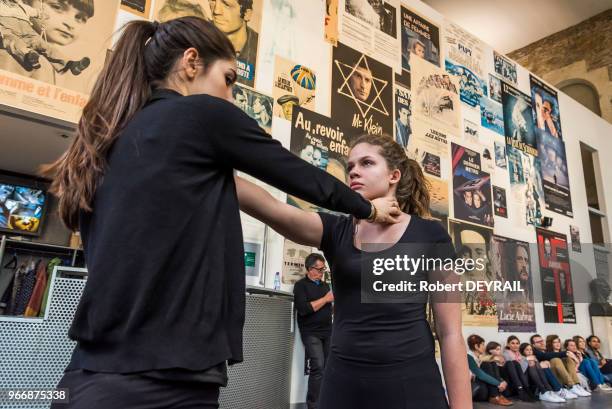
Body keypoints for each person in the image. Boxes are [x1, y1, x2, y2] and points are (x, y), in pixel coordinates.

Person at [44, 17, 401, 408]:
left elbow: (257, 199)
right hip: (161, 381)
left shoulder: (114, 140)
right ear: (191, 62)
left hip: (83, 378)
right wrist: (368, 207)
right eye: (229, 80)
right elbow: (294, 173)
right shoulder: (199, 115)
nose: (230, 98)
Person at [235, 133, 471, 408]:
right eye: (350, 167)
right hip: (343, 381)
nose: (354, 171)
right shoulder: (337, 229)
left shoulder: (431, 235)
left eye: (367, 163)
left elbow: (451, 333)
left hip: (411, 382)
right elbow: (270, 207)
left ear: (394, 175)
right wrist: (204, 160)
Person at [0, 0, 94, 86]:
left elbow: (35, 12)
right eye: (57, 7)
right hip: (11, 34)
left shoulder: (21, 8)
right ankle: (27, 55)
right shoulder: (8, 57)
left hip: (27, 33)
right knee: (15, 44)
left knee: (46, 47)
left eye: (80, 18)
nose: (70, 24)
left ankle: (70, 65)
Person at [293, 253, 334, 409]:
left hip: (327, 331)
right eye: (319, 269)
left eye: (323, 269)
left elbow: (327, 308)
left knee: (329, 367)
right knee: (318, 366)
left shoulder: (324, 286)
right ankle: (313, 405)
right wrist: (326, 299)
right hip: (311, 333)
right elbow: (303, 309)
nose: (321, 273)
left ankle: (326, 402)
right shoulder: (300, 286)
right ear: (310, 269)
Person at [208, 0, 257, 86]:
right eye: (212, 0)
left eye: (226, 5)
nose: (216, 11)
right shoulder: (198, 34)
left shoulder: (261, 51)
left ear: (246, 14)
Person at [467, 335, 513, 406]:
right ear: (476, 346)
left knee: (492, 363)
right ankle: (495, 396)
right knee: (486, 364)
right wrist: (499, 383)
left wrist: (501, 381)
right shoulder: (469, 357)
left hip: (482, 388)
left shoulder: (478, 357)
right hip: (474, 390)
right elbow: (480, 375)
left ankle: (497, 396)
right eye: (482, 344)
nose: (484, 347)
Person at [530, 334, 579, 400]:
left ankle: (574, 386)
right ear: (533, 345)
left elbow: (547, 355)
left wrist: (576, 359)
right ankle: (569, 386)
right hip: (545, 377)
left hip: (555, 375)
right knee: (556, 360)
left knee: (567, 359)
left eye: (542, 340)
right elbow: (543, 356)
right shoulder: (535, 352)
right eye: (538, 342)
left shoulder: (546, 350)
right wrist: (565, 353)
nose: (541, 343)